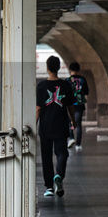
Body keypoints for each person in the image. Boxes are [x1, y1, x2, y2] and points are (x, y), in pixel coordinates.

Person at [36, 55, 76, 198]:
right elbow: (71, 106)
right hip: (61, 124)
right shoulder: (66, 85)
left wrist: (34, 125)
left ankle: (49, 188)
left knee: (46, 157)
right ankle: (58, 175)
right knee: (62, 153)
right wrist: (73, 121)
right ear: (59, 68)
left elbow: (38, 108)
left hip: (45, 126)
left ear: (47, 68)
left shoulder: (41, 86)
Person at [66, 61, 89, 149]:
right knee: (78, 124)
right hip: (79, 104)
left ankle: (71, 138)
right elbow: (87, 92)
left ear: (70, 69)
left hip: (69, 104)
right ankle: (78, 145)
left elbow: (64, 93)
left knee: (70, 122)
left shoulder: (67, 80)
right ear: (78, 70)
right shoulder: (83, 80)